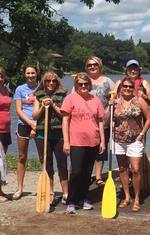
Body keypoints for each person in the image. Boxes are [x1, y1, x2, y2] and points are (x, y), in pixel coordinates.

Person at [61, 72, 105, 214]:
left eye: (86, 84)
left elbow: (100, 121)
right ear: (76, 85)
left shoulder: (96, 100)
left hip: (93, 141)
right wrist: (66, 142)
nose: (84, 86)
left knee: (87, 173)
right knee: (76, 171)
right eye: (80, 84)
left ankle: (84, 197)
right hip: (76, 141)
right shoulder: (70, 99)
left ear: (89, 85)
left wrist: (102, 141)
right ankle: (72, 201)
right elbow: (65, 120)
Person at [113, 77, 150, 212]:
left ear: (133, 88)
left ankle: (137, 199)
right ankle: (127, 196)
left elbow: (149, 119)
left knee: (135, 169)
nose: (127, 89)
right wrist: (110, 106)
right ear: (121, 88)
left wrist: (142, 134)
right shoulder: (115, 102)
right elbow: (107, 119)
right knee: (123, 169)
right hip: (118, 139)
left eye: (130, 86)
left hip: (135, 139)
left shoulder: (139, 101)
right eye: (125, 86)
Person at [33, 71, 68, 205]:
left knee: (62, 163)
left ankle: (65, 192)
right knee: (47, 164)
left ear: (57, 82)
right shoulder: (38, 96)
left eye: (53, 81)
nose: (51, 83)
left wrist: (53, 105)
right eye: (48, 81)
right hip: (42, 135)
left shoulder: (63, 95)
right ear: (44, 82)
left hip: (59, 134)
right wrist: (43, 105)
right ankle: (51, 192)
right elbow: (35, 116)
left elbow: (64, 114)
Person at [85, 56, 114, 187]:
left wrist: (113, 103)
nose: (92, 67)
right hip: (86, 121)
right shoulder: (83, 80)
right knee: (86, 148)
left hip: (104, 120)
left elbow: (116, 95)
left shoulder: (107, 81)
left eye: (95, 65)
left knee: (101, 148)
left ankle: (98, 176)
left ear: (100, 66)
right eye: (90, 65)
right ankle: (86, 173)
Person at [13, 64, 38, 200]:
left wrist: (36, 125)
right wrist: (30, 124)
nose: (30, 76)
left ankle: (47, 189)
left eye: (32, 73)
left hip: (39, 124)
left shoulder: (41, 87)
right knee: (22, 156)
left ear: (36, 74)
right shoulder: (20, 89)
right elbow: (18, 110)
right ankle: (19, 188)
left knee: (43, 158)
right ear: (25, 74)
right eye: (28, 73)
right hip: (24, 124)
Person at [0, 67, 12, 202]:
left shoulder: (6, 90)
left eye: (1, 75)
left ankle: (1, 191)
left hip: (6, 129)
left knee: (2, 160)